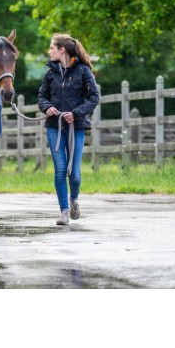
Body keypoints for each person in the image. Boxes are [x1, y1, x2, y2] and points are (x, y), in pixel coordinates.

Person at [38, 34, 100, 225]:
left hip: (76, 127)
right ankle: (64, 211)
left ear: (62, 50)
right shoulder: (50, 74)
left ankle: (74, 200)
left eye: (52, 48)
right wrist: (47, 107)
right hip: (54, 127)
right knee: (60, 170)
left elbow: (93, 98)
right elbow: (42, 97)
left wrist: (76, 113)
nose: (49, 51)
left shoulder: (83, 71)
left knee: (74, 173)